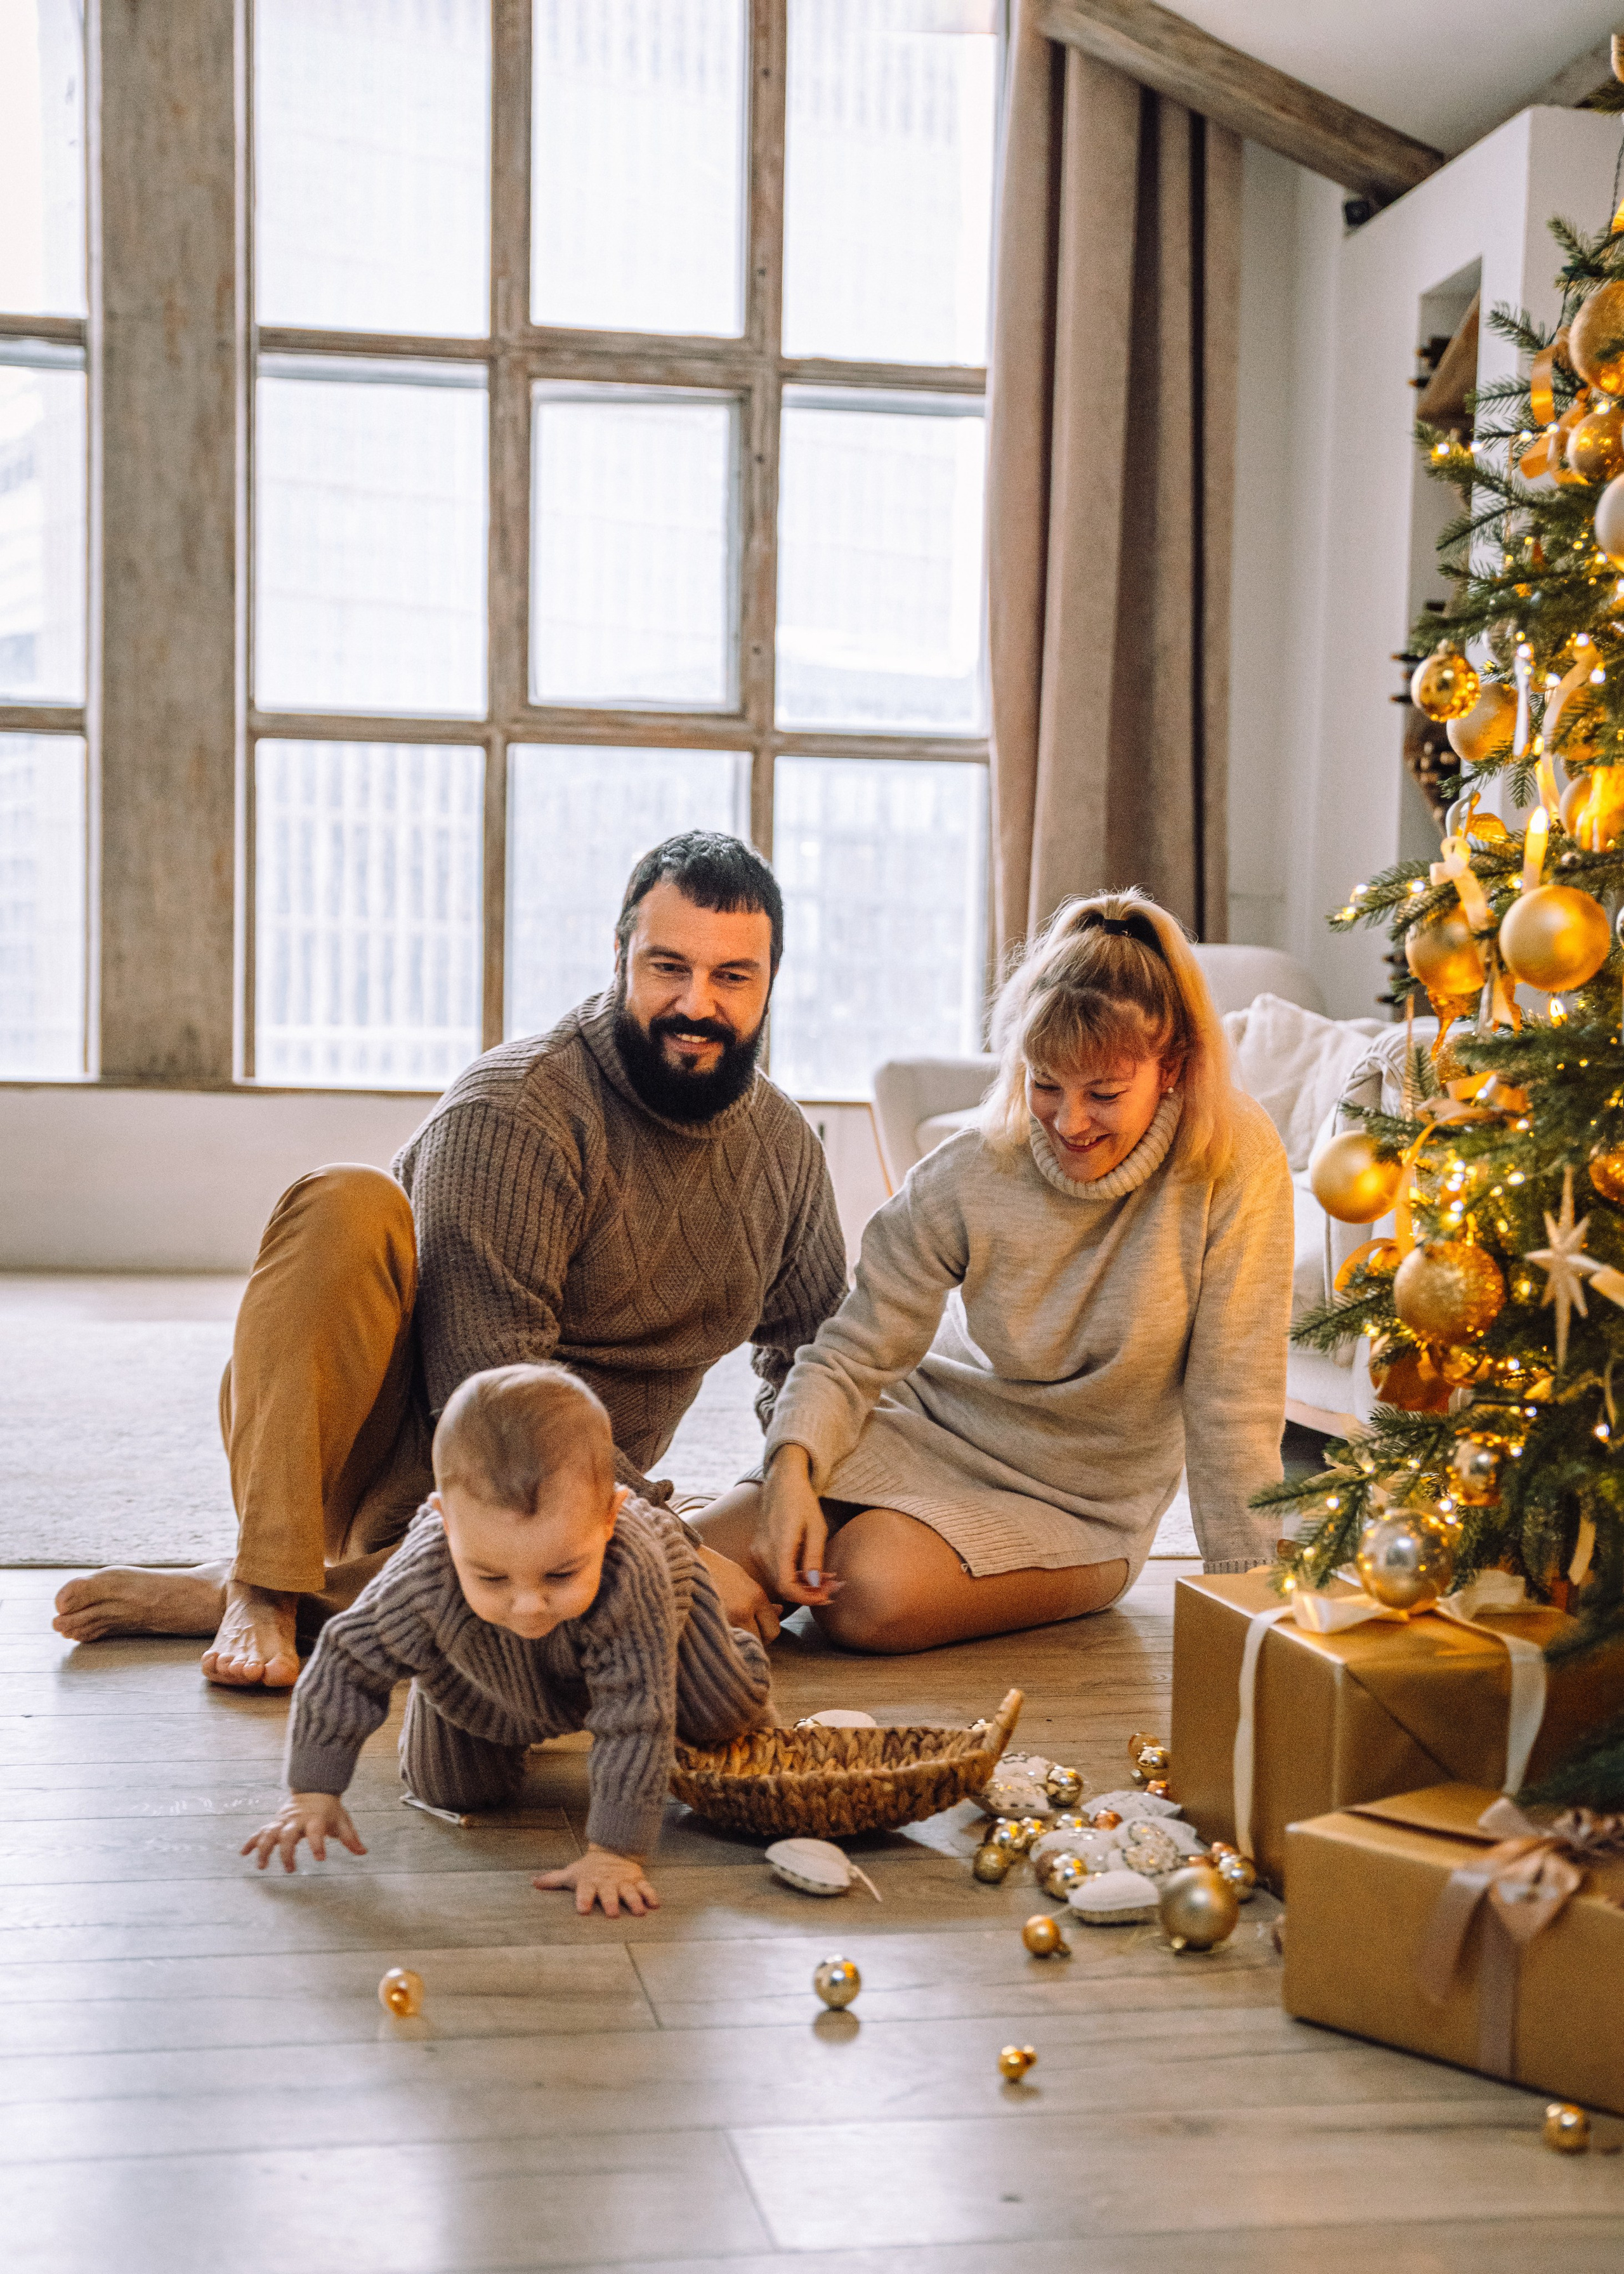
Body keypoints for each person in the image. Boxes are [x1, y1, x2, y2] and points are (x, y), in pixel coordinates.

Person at [55, 834, 848, 1685]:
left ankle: (325, 1599)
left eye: (733, 976)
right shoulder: (518, 1107)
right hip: (399, 1461)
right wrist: (674, 1553)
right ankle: (265, 1584)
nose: (697, 1004)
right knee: (346, 1200)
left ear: (770, 983)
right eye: (667, 968)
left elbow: (819, 1355)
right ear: (619, 958)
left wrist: (789, 1475)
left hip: (560, 1522)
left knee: (795, 1510)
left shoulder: (784, 1148)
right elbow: (490, 1382)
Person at [695, 891, 1293, 1653]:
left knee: (861, 1590)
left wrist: (1243, 1602)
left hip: (1080, 1501)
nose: (1069, 1121)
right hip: (922, 1428)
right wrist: (787, 1470)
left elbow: (1232, 1397)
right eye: (1045, 1084)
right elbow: (853, 1348)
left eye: (1103, 1093)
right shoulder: (970, 1168)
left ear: (1171, 1065)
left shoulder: (1232, 1158)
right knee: (682, 1558)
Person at [242, 1364, 773, 1916]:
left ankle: (739, 1663)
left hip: (665, 1632)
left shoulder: (630, 1572)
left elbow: (636, 1716)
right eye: (492, 1575)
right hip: (485, 1667)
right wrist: (313, 1791)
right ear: (445, 1523)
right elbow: (347, 1663)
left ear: (610, 1519)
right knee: (451, 1790)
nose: (527, 1604)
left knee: (722, 1715)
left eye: (560, 1573)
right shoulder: (425, 1571)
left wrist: (615, 1854)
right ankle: (464, 1685)